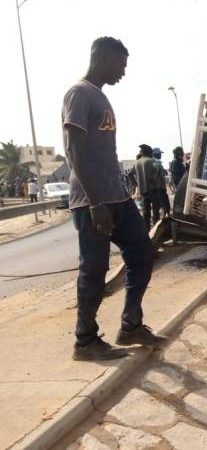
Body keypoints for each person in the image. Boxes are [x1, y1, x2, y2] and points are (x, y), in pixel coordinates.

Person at [62, 36, 164, 361]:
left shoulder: (100, 97)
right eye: (121, 64)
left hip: (117, 197)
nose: (123, 72)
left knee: (143, 252)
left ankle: (130, 325)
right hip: (92, 200)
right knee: (94, 269)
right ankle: (85, 341)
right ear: (104, 59)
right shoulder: (79, 93)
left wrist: (114, 195)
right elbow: (74, 150)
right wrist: (95, 202)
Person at [131, 144, 161, 228]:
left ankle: (147, 230)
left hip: (143, 191)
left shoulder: (137, 163)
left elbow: (130, 174)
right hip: (154, 190)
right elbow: (158, 176)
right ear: (150, 152)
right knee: (156, 212)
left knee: (145, 212)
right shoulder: (152, 161)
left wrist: (137, 184)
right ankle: (156, 229)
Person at [152, 147, 171, 217]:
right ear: (155, 154)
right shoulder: (156, 163)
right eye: (159, 154)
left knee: (161, 204)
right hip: (160, 187)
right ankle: (165, 217)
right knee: (164, 203)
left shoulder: (155, 163)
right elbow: (158, 177)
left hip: (158, 187)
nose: (160, 155)